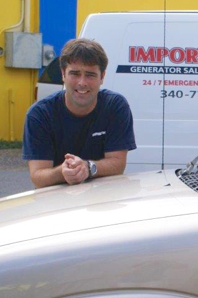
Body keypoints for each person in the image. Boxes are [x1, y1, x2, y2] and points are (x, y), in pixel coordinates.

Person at [23, 38, 136, 188]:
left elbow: (118, 164)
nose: (82, 82)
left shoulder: (115, 106)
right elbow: (38, 175)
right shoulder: (39, 115)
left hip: (103, 199)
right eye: (75, 73)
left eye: (90, 74)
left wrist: (87, 167)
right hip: (54, 202)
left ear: (102, 77)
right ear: (63, 74)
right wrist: (63, 171)